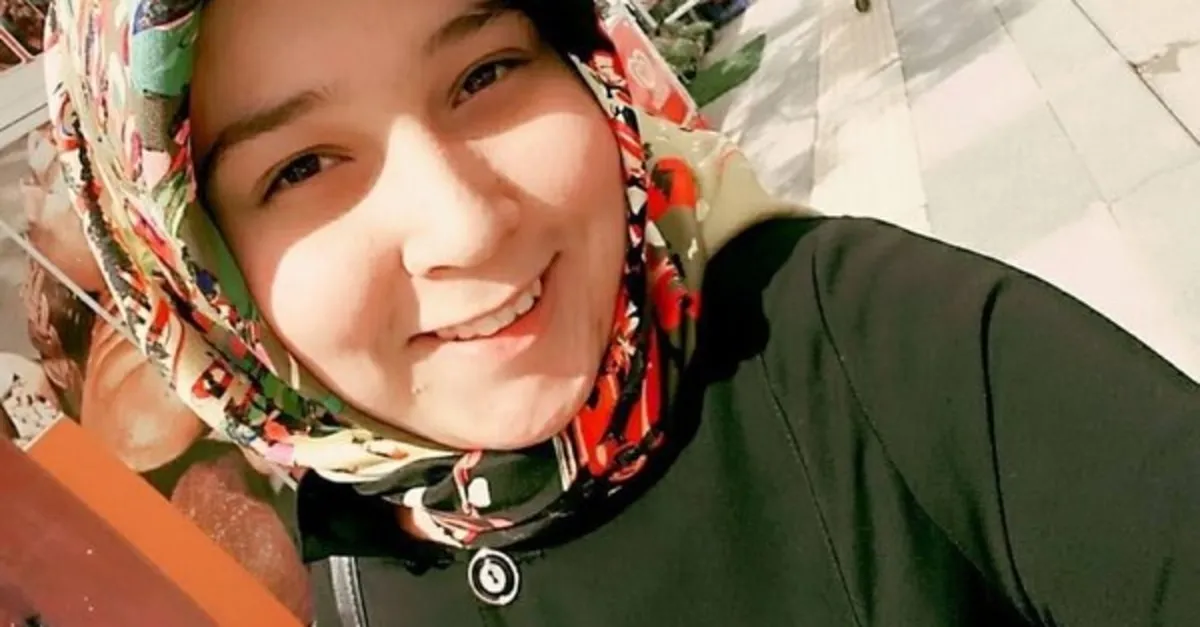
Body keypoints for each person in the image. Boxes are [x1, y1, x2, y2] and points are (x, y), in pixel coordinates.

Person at [42, 0, 1200, 625]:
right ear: (196, 276)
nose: (465, 226)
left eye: (485, 74)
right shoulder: (354, 565)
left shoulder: (868, 345)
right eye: (302, 167)